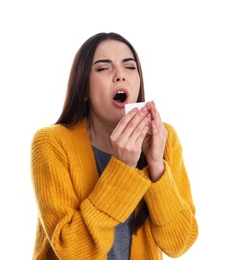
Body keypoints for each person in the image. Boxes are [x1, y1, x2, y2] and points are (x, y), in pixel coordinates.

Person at [30, 32, 198, 260]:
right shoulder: (52, 142)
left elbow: (179, 243)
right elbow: (71, 251)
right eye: (103, 68)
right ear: (83, 89)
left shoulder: (165, 139)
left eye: (130, 67)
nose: (120, 75)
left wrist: (157, 166)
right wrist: (123, 168)